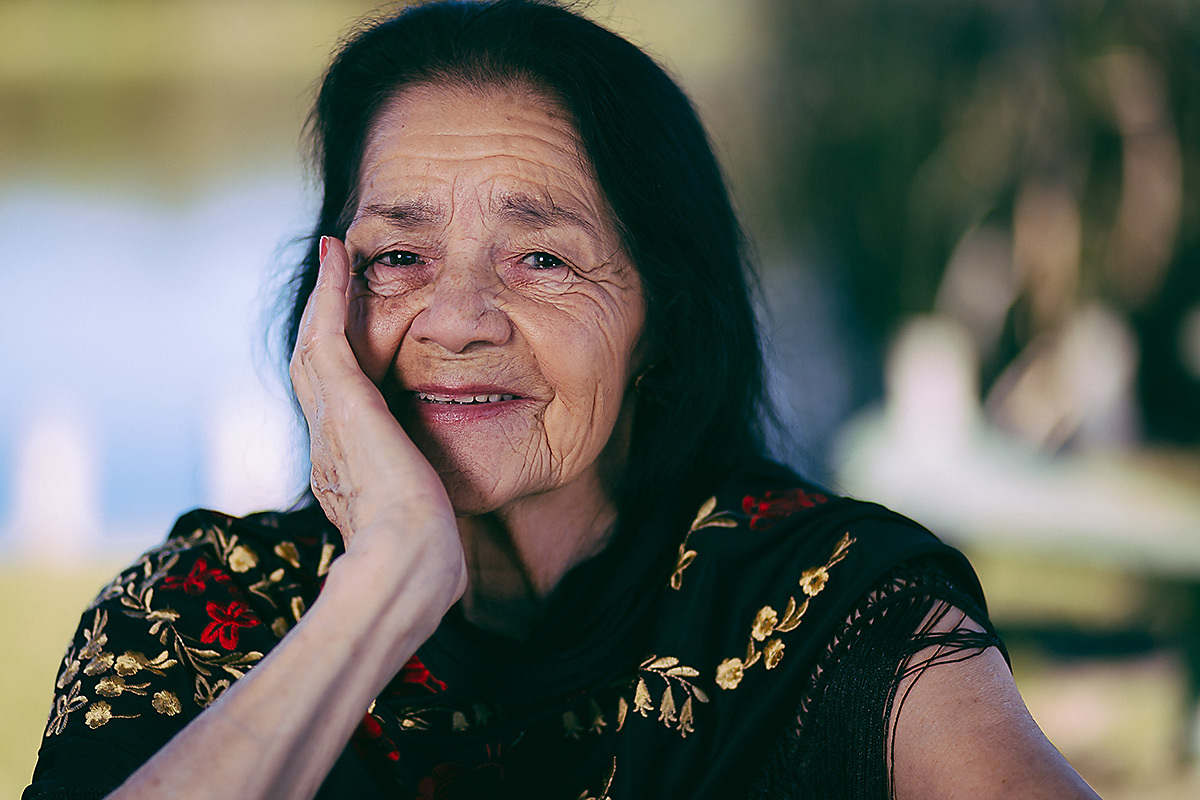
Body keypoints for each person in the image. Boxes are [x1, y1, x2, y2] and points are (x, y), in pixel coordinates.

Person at [24, 2, 1101, 798]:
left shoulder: (830, 605)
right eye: (397, 253)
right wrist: (390, 575)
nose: (456, 318)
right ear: (328, 305)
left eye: (540, 257)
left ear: (663, 318)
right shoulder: (198, 611)